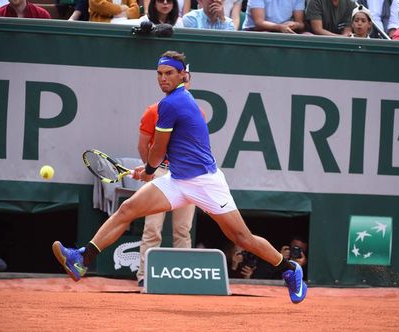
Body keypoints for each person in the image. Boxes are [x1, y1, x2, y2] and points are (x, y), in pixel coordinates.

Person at [52, 50, 307, 304]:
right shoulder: (177, 100)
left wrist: (149, 170)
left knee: (242, 238)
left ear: (183, 75)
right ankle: (81, 260)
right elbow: (171, 149)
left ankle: (289, 269)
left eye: (169, 73)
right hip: (177, 180)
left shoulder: (173, 103)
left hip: (205, 183)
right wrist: (150, 169)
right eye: (160, 74)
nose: (163, 78)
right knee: (127, 209)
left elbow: (159, 148)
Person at [136, 68, 196, 286]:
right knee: (152, 228)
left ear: (186, 80)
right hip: (160, 173)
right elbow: (143, 145)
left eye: (187, 80)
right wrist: (151, 170)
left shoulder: (195, 111)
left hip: (187, 175)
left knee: (183, 229)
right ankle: (145, 276)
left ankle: (185, 278)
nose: (183, 84)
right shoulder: (153, 111)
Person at [241, 0, 306, 33]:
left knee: (307, 35)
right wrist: (279, 27)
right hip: (255, 32)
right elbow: (259, 22)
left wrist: (295, 25)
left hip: (284, 32)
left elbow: (300, 24)